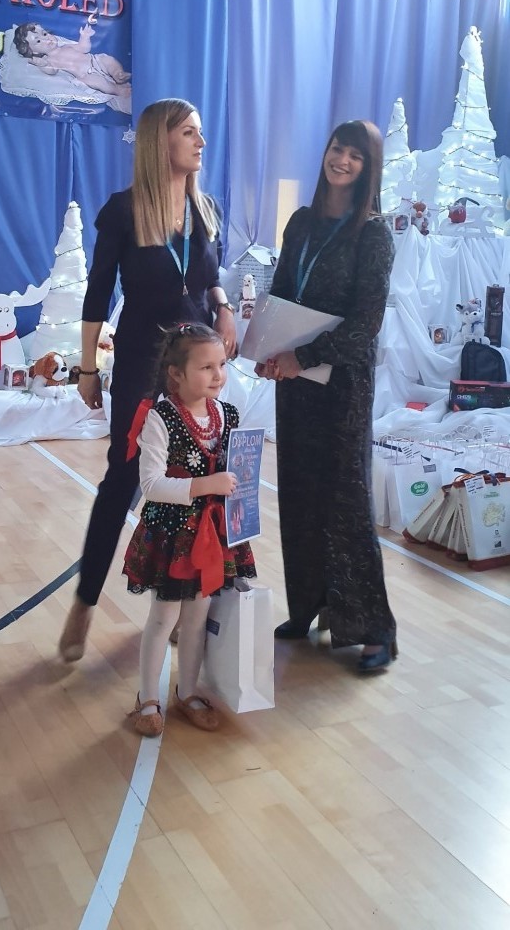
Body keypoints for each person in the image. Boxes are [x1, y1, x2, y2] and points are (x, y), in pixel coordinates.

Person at [59, 98, 237, 662]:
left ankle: (182, 601)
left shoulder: (205, 209)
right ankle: (85, 601)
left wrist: (224, 306)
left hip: (197, 366)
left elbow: (208, 275)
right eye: (189, 133)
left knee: (196, 481)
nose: (200, 143)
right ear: (161, 141)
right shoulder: (124, 210)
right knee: (125, 477)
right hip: (142, 361)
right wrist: (88, 368)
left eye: (200, 132)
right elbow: (96, 295)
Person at [258, 120, 397, 674]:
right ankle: (308, 607)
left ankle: (373, 629)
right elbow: (280, 291)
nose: (342, 160)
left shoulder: (374, 235)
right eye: (338, 149)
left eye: (355, 156)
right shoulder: (301, 222)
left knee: (345, 501)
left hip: (342, 385)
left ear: (368, 169)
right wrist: (269, 347)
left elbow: (366, 324)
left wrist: (305, 356)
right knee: (298, 492)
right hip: (295, 381)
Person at [122, 323, 257, 736]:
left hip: (213, 535)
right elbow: (151, 485)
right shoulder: (160, 417)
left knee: (198, 618)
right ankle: (148, 698)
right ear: (176, 373)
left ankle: (189, 691)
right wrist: (206, 485)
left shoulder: (228, 414)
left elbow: (238, 473)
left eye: (222, 365)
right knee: (164, 619)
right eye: (206, 367)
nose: (218, 375)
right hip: (173, 536)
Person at [13, 21, 131, 98]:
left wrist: (85, 37)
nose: (46, 39)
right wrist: (42, 65)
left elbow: (83, 48)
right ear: (34, 51)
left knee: (108, 60)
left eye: (44, 34)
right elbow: (52, 71)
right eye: (38, 41)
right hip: (85, 75)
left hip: (95, 61)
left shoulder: (66, 46)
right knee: (99, 82)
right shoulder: (50, 60)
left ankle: (118, 74)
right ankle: (117, 90)